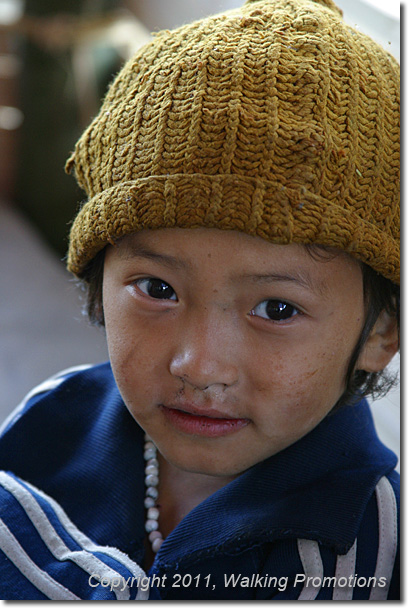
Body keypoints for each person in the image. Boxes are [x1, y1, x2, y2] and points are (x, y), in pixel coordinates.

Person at [0, 0, 400, 600]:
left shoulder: (362, 548)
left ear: (380, 334)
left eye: (276, 309)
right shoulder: (51, 416)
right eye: (158, 290)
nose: (199, 364)